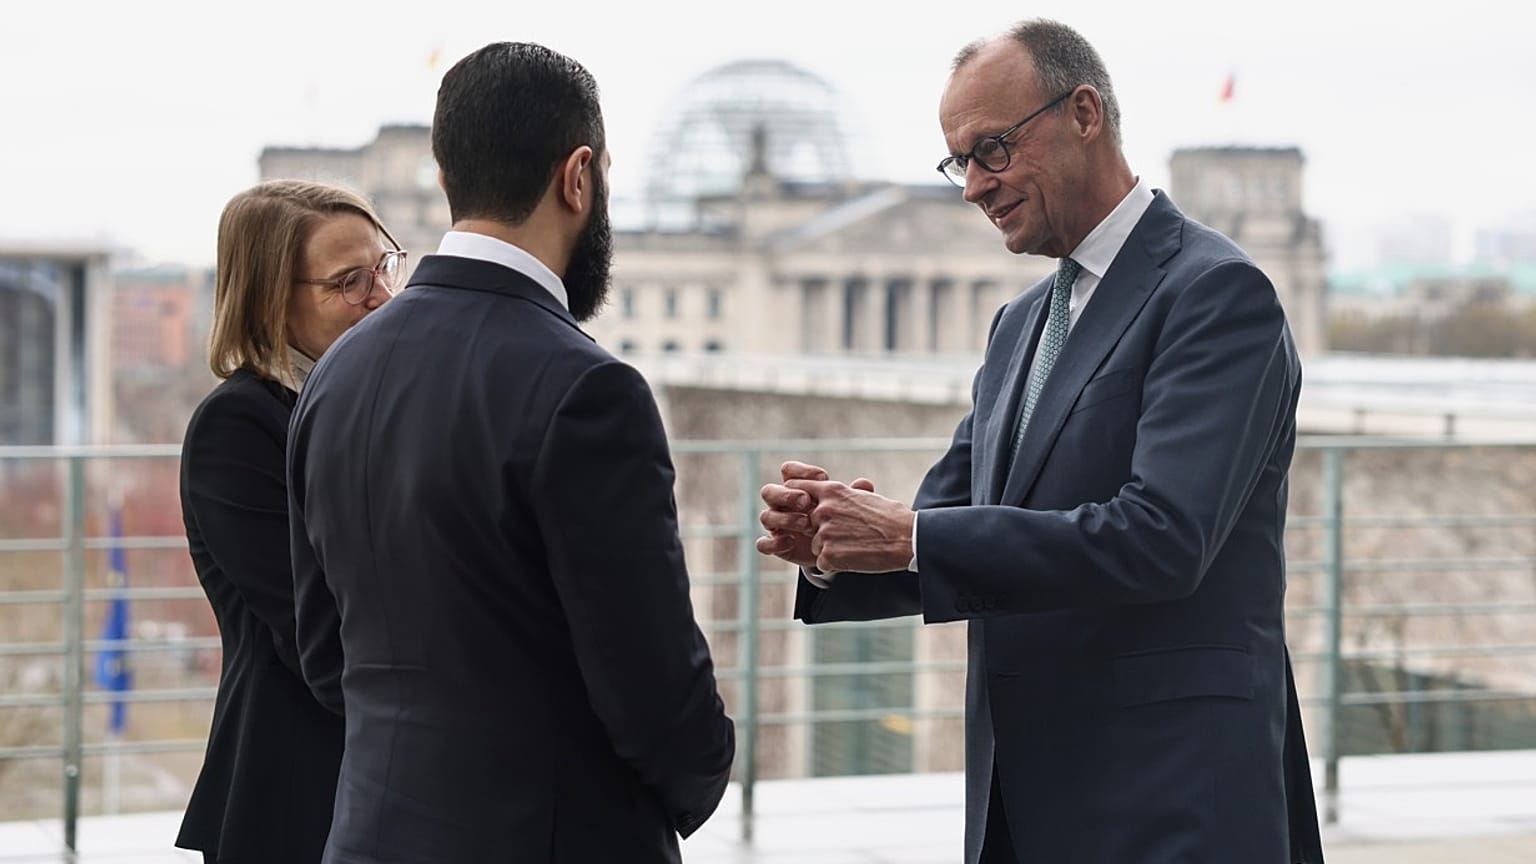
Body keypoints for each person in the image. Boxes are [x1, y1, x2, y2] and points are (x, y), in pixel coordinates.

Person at [759, 19, 1324, 864]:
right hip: (1023, 800)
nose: (973, 187)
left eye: (993, 150)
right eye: (960, 162)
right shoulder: (1019, 324)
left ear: (1084, 113)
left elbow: (1163, 538)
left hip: (1171, 803)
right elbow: (955, 519)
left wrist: (913, 537)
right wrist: (837, 542)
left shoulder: (1216, 293)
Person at [286, 42, 735, 863]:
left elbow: (325, 655)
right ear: (578, 177)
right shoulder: (589, 390)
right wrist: (707, 776)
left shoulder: (335, 374)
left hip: (370, 835)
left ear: (448, 175)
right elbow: (653, 686)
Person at [177, 179, 402, 863]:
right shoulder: (237, 428)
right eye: (349, 283)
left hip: (391, 783)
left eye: (386, 266)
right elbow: (321, 629)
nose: (384, 299)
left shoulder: (375, 403)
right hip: (296, 795)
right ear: (272, 300)